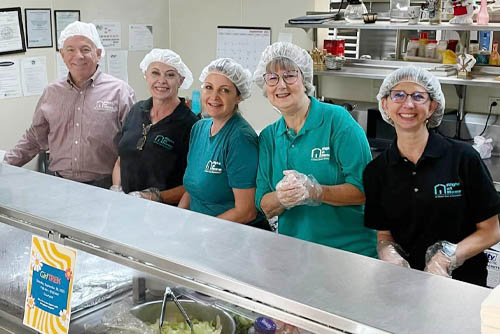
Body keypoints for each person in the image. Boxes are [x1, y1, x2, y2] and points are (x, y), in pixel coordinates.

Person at [363, 66, 500, 286]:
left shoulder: (463, 158)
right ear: (385, 105)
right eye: (398, 95)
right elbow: (384, 235)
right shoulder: (376, 171)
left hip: (463, 285)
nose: (408, 105)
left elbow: (491, 231)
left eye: (418, 96)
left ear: (432, 106)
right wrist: (388, 253)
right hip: (405, 283)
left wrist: (447, 257)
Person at [253, 42, 376, 256]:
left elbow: (365, 190)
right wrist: (282, 198)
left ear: (305, 80)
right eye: (272, 78)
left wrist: (314, 191)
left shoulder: (336, 121)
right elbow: (264, 203)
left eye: (290, 75)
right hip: (295, 253)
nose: (281, 85)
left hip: (349, 252)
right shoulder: (269, 137)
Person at [3, 21, 136, 188]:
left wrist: (122, 187)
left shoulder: (120, 92)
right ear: (62, 54)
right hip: (58, 183)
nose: (78, 56)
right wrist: (5, 165)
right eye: (70, 50)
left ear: (99, 53)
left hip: (105, 186)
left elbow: (132, 146)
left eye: (85, 49)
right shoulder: (52, 92)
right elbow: (35, 138)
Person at [180, 58, 269, 230]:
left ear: (238, 97)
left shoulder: (240, 138)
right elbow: (191, 191)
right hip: (201, 232)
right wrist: (180, 221)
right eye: (209, 87)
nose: (214, 97)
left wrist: (202, 230)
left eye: (224, 90)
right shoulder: (199, 128)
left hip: (233, 237)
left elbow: (246, 211)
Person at [110, 49, 198, 204]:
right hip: (125, 206)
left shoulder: (190, 124)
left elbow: (195, 185)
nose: (162, 80)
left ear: (181, 80)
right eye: (155, 73)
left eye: (170, 75)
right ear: (146, 75)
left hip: (166, 213)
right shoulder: (136, 111)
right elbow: (120, 161)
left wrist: (154, 197)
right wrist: (116, 188)